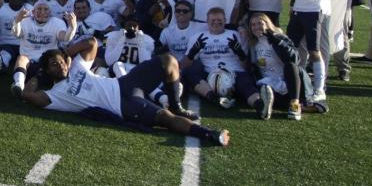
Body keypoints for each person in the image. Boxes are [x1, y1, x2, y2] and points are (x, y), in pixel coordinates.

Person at [19, 37, 227, 146]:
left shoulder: (75, 66)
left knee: (169, 61)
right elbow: (28, 95)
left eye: (62, 62)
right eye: (54, 65)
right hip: (123, 106)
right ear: (48, 71)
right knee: (166, 118)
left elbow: (91, 43)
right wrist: (38, 75)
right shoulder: (57, 95)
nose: (61, 66)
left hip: (124, 84)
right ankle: (209, 134)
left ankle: (176, 104)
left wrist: (65, 53)